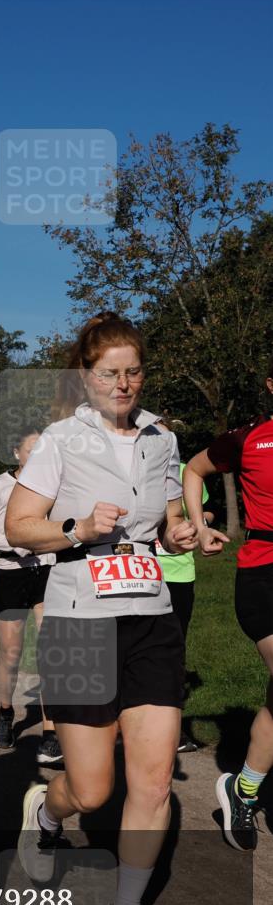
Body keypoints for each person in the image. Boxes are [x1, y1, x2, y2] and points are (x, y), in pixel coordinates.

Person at [5, 312, 197, 905]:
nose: (123, 383)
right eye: (110, 372)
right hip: (78, 620)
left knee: (150, 781)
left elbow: (167, 522)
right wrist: (79, 527)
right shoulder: (60, 440)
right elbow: (19, 527)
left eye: (133, 370)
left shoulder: (161, 441)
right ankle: (47, 814)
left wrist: (180, 536)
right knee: (91, 790)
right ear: (86, 376)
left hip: (151, 617)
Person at [183, 359, 273, 853]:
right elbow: (194, 470)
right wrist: (199, 526)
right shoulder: (249, 438)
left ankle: (245, 788)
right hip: (263, 573)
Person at [0, 429, 60, 760]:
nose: (38, 457)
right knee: (11, 653)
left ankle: (50, 730)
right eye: (31, 450)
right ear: (16, 452)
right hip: (10, 574)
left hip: (47, 572)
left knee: (50, 650)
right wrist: (14, 544)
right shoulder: (0, 485)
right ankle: (6, 711)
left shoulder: (55, 484)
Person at [154, 431, 217, 753]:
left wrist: (196, 523)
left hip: (178, 573)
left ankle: (172, 731)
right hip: (137, 574)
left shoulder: (182, 471)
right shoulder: (127, 470)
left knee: (174, 649)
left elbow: (205, 513)